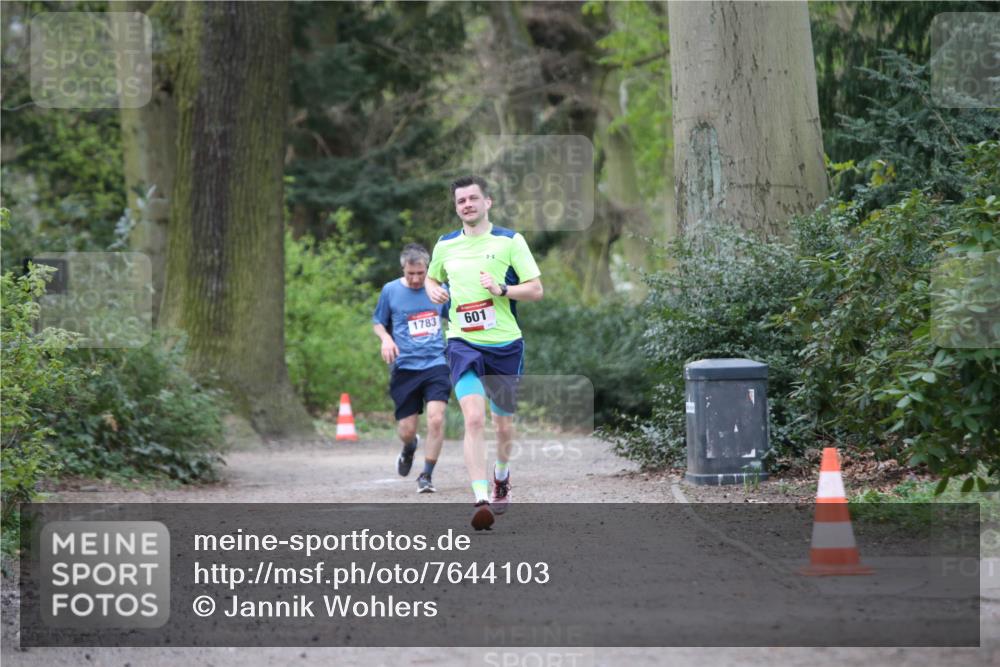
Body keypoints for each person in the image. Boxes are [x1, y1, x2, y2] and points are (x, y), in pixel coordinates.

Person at [425, 175, 543, 530]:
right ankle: (480, 497)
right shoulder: (444, 246)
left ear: (487, 202)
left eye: (473, 199)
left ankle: (501, 475)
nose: (467, 205)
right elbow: (432, 277)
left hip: (505, 344)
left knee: (502, 425)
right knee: (473, 419)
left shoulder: (510, 241)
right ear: (456, 207)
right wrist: (433, 290)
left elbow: (536, 290)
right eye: (461, 201)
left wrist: (502, 288)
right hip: (462, 341)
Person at [372, 243, 451, 493]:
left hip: (437, 363)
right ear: (403, 269)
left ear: (428, 269)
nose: (416, 279)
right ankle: (409, 447)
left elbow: (457, 316)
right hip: (405, 366)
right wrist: (386, 339)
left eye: (421, 273)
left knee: (436, 419)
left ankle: (426, 476)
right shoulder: (390, 291)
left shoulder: (439, 290)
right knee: (407, 430)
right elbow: (378, 322)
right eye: (410, 274)